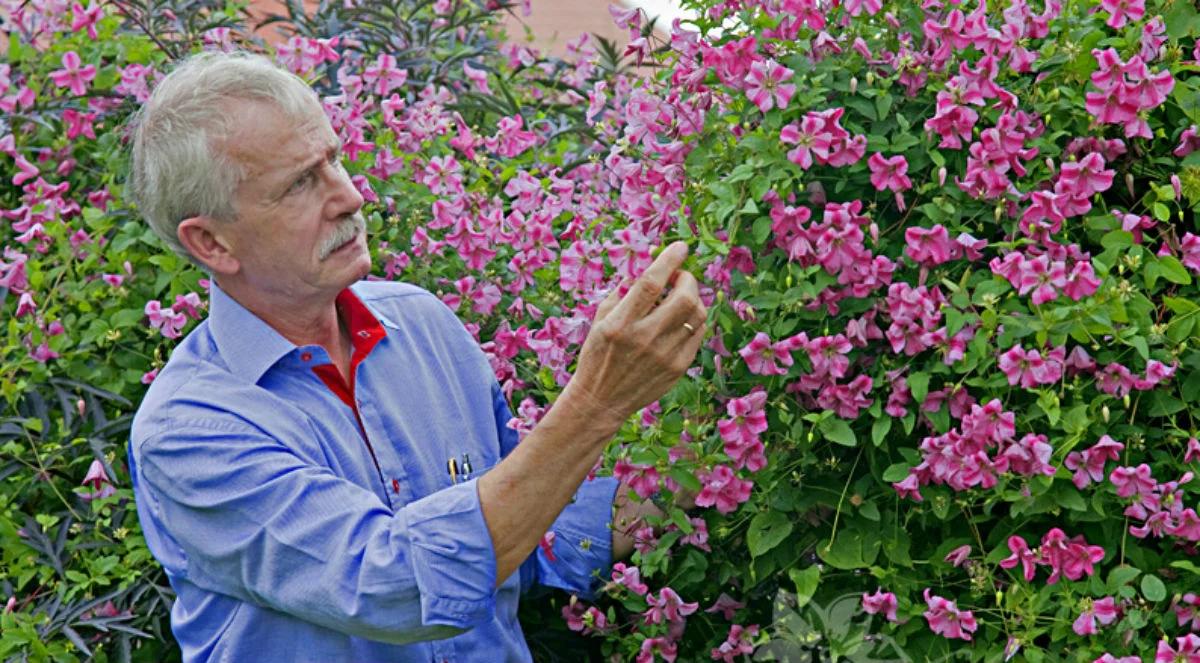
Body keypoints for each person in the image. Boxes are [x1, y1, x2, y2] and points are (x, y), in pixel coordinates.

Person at [125, 51, 707, 662]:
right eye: (300, 183)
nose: (349, 196)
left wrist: (710, 471)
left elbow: (530, 525)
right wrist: (596, 403)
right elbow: (395, 586)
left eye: (334, 160)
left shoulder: (421, 324)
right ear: (212, 241)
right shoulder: (190, 431)